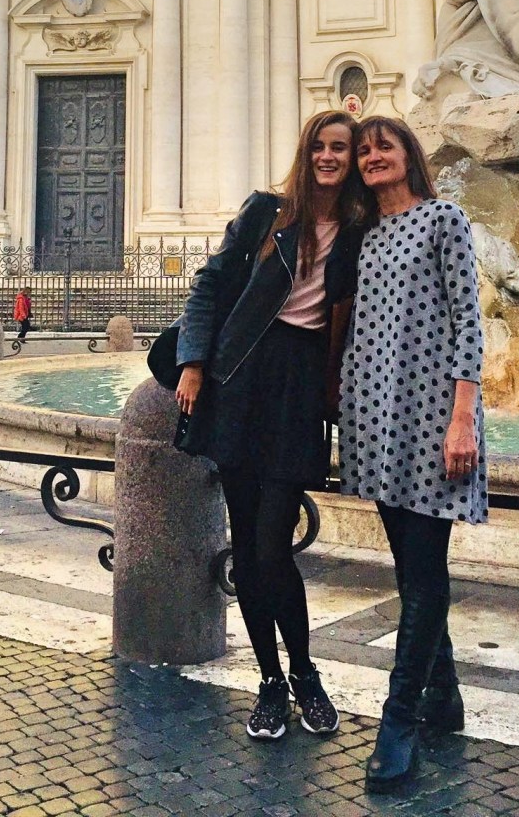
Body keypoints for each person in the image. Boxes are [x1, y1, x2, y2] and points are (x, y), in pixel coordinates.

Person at [175, 111, 366, 742]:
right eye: (319, 145)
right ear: (305, 152)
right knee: (251, 554)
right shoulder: (267, 213)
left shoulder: (361, 233)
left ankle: (306, 673)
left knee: (270, 548)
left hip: (296, 389)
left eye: (340, 147)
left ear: (353, 157)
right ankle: (270, 682)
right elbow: (207, 287)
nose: (328, 156)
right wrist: (194, 364)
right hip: (240, 381)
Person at [339, 116, 487, 792]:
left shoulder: (443, 219)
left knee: (424, 573)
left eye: (383, 147)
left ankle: (397, 725)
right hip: (377, 417)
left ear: (408, 156)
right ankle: (444, 696)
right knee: (409, 568)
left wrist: (464, 419)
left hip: (432, 420)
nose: (371, 157)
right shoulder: (366, 235)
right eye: (364, 151)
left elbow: (468, 321)